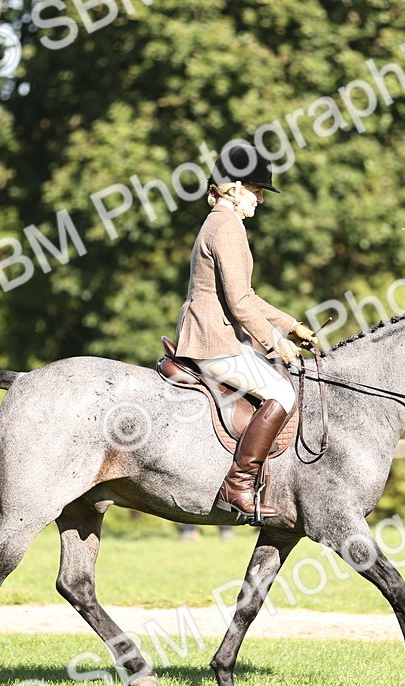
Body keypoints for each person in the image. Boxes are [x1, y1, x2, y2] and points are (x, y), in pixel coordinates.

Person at [174, 143, 318, 522]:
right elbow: (238, 303)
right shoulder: (227, 226)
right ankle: (237, 484)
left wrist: (291, 325)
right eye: (255, 192)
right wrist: (276, 344)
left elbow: (247, 295)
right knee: (282, 392)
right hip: (212, 340)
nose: (260, 201)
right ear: (234, 188)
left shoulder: (221, 223)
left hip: (215, 335)